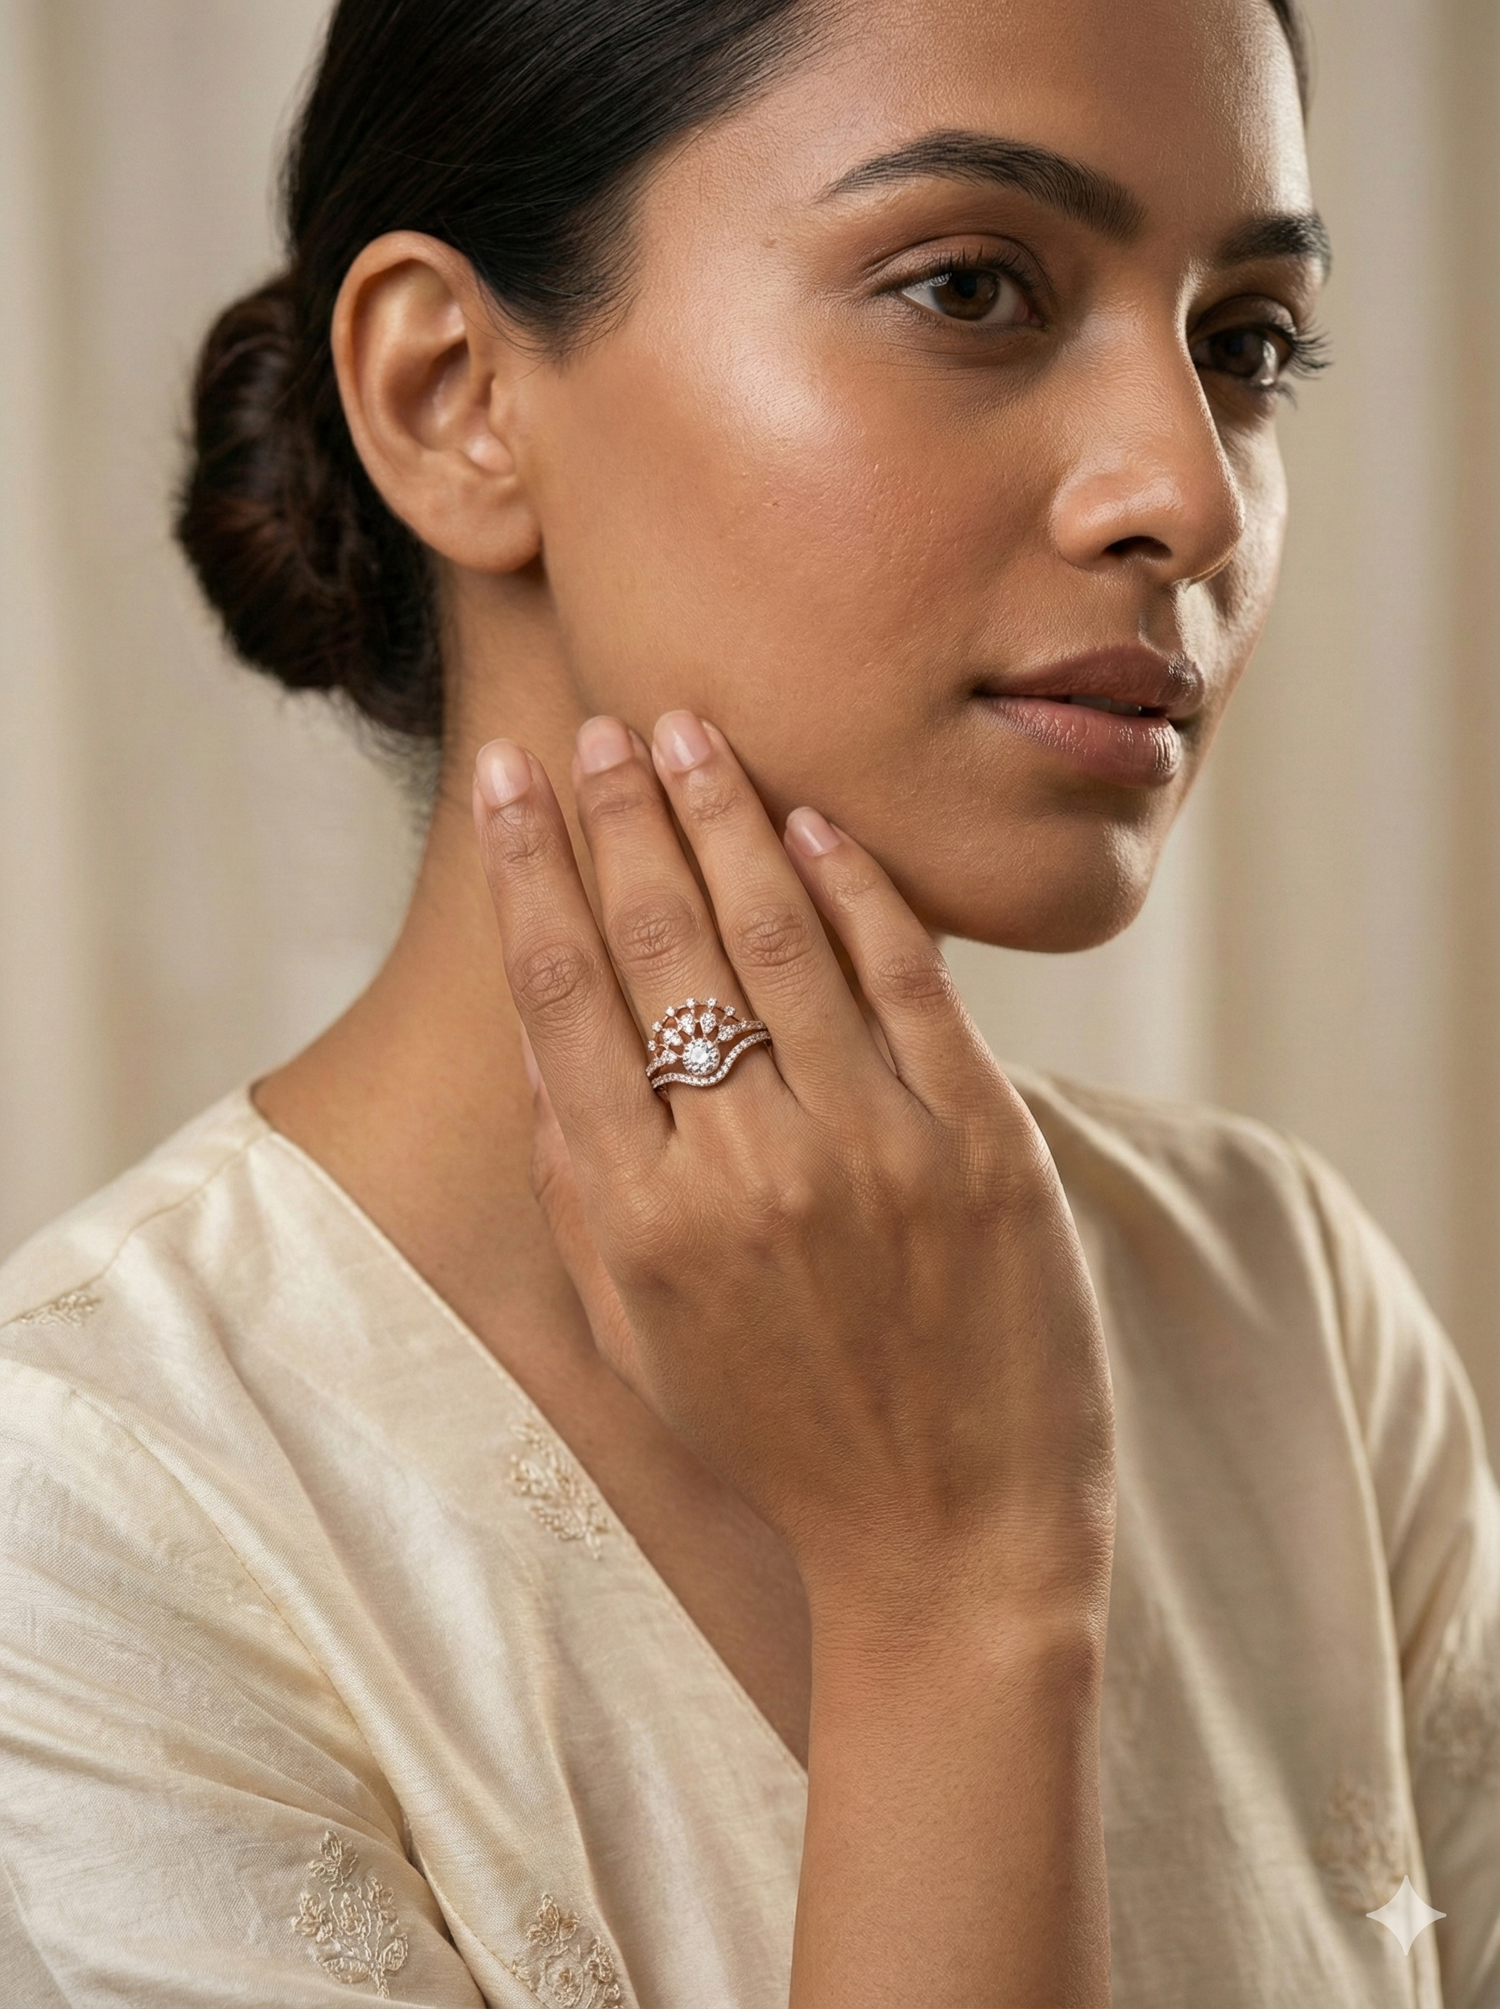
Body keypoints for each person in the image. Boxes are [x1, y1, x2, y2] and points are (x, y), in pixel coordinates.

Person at [1, 0, 1495, 2001]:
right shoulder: (95, 1507)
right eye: (973, 285)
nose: (1192, 495)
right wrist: (948, 1597)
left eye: (1245, 345)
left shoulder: (1285, 1310)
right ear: (452, 395)